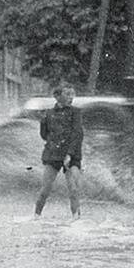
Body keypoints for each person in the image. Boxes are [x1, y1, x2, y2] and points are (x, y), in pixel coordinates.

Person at [33, 84, 84, 219]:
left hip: (71, 155)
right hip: (54, 154)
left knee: (73, 189)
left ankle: (76, 219)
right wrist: (43, 122)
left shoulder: (76, 112)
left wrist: (69, 154)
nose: (71, 97)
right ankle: (36, 216)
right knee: (45, 189)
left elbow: (77, 134)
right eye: (67, 94)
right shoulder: (49, 114)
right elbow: (44, 135)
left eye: (72, 94)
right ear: (57, 96)